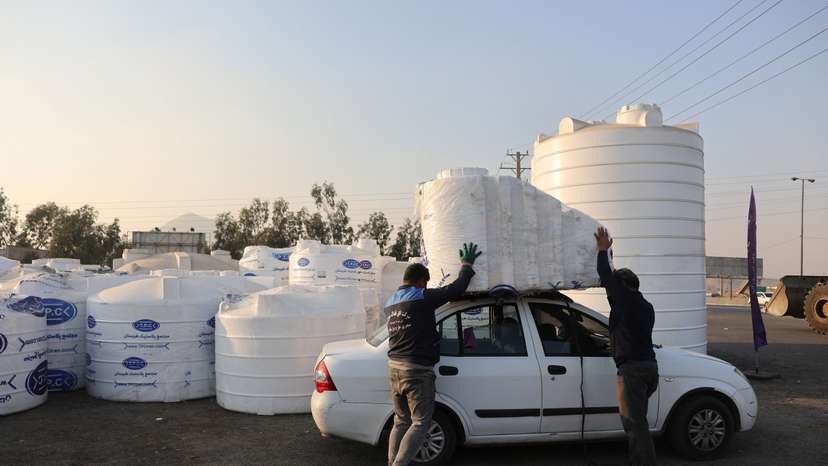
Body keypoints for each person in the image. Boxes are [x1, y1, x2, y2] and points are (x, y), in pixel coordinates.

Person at [384, 242, 482, 466]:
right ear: (420, 281)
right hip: (416, 371)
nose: (425, 287)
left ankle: (391, 462)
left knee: (401, 421)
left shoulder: (391, 302)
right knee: (421, 422)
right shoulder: (421, 297)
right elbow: (456, 289)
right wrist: (467, 265)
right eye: (425, 284)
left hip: (394, 367)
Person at [594, 227, 659, 466]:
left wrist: (603, 250)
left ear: (622, 286)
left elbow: (605, 275)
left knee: (634, 424)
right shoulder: (645, 306)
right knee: (638, 421)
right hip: (649, 368)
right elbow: (625, 324)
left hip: (633, 371)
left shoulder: (625, 300)